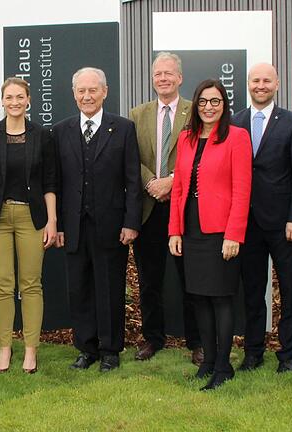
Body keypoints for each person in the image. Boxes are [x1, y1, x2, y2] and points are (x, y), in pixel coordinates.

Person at [53, 67, 141, 372]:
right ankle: (86, 348)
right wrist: (60, 226)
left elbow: (132, 180)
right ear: (74, 94)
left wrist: (131, 223)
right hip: (74, 226)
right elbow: (57, 182)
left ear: (104, 92)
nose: (87, 96)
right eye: (81, 91)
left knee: (109, 288)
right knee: (79, 289)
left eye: (93, 90)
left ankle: (110, 350)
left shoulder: (124, 128)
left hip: (112, 227)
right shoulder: (61, 130)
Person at [168, 79, 252, 391]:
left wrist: (234, 234)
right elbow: (178, 188)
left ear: (224, 105)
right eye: (203, 101)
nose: (208, 107)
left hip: (221, 232)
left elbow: (243, 190)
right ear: (196, 105)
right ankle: (207, 361)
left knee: (221, 299)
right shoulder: (187, 138)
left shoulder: (237, 137)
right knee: (199, 298)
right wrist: (174, 230)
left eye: (215, 101)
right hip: (191, 230)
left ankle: (223, 365)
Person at [231, 63, 292, 373]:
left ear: (276, 83)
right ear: (248, 84)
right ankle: (253, 352)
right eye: (255, 80)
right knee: (252, 290)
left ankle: (287, 354)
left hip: (282, 224)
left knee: (290, 290)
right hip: (246, 223)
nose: (260, 85)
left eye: (266, 80)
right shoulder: (234, 122)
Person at [0, 77, 57, 374]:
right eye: (9, 97)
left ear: (28, 100)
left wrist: (52, 220)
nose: (14, 102)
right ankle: (5, 348)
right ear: (2, 101)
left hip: (31, 218)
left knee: (31, 284)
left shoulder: (42, 136)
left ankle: (31, 351)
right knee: (3, 285)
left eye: (20, 97)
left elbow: (50, 182)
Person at [128, 52, 203, 364]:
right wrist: (151, 184)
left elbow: (201, 152)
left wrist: (172, 181)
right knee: (149, 280)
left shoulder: (194, 112)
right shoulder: (137, 114)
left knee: (191, 279)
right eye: (158, 73)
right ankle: (153, 339)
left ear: (180, 78)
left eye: (169, 73)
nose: (163, 78)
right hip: (148, 208)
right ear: (152, 77)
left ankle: (197, 342)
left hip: (183, 207)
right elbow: (132, 157)